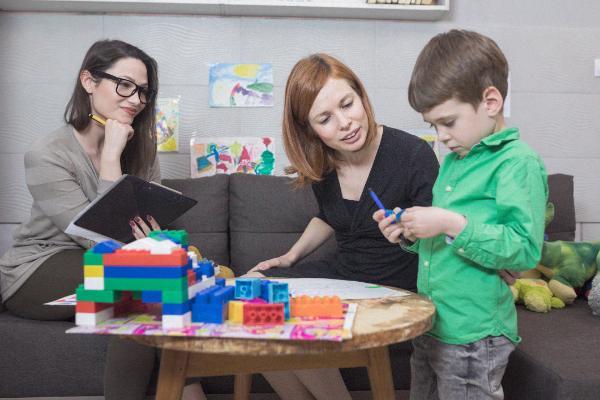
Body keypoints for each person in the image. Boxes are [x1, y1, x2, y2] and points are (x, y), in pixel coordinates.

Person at [0, 40, 204, 400]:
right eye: (124, 85)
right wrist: (111, 156)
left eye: (143, 91)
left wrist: (158, 243)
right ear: (89, 81)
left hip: (113, 259)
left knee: (173, 282)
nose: (135, 99)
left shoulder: (143, 147)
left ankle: (188, 391)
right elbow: (99, 240)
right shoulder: (47, 155)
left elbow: (142, 230)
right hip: (39, 267)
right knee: (140, 289)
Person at [247, 53, 439, 400]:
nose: (345, 123)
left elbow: (438, 229)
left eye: (348, 105)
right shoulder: (324, 162)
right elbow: (330, 216)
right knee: (250, 293)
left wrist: (408, 228)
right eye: (325, 119)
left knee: (289, 321)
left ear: (361, 96)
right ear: (310, 129)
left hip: (396, 281)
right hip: (345, 274)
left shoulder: (413, 154)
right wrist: (291, 256)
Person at [374, 29, 548, 400]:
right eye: (432, 125)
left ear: (491, 101)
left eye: (447, 122)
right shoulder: (455, 160)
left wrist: (451, 222)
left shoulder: (518, 163)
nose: (440, 137)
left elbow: (523, 249)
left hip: (474, 333)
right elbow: (446, 244)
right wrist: (409, 232)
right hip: (433, 322)